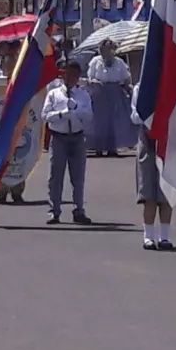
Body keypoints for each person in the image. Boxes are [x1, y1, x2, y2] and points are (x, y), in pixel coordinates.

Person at [131, 79, 176, 250]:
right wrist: (150, 122)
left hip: (170, 138)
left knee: (167, 189)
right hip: (147, 138)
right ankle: (148, 236)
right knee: (148, 189)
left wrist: (163, 121)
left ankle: (164, 236)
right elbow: (135, 115)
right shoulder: (141, 87)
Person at [42, 60, 93, 225]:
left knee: (78, 177)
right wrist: (63, 114)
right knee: (55, 176)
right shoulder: (54, 94)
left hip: (77, 137)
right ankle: (54, 210)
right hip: (59, 137)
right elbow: (45, 116)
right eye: (67, 74)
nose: (70, 77)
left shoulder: (83, 95)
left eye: (74, 75)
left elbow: (89, 116)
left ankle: (79, 209)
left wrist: (76, 111)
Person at [87, 39, 136, 156]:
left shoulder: (119, 62)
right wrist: (94, 82)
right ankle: (98, 147)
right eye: (105, 48)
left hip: (115, 92)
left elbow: (126, 78)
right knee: (99, 121)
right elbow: (90, 77)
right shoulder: (95, 61)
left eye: (110, 48)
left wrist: (129, 88)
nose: (108, 51)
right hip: (99, 93)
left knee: (114, 121)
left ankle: (112, 148)